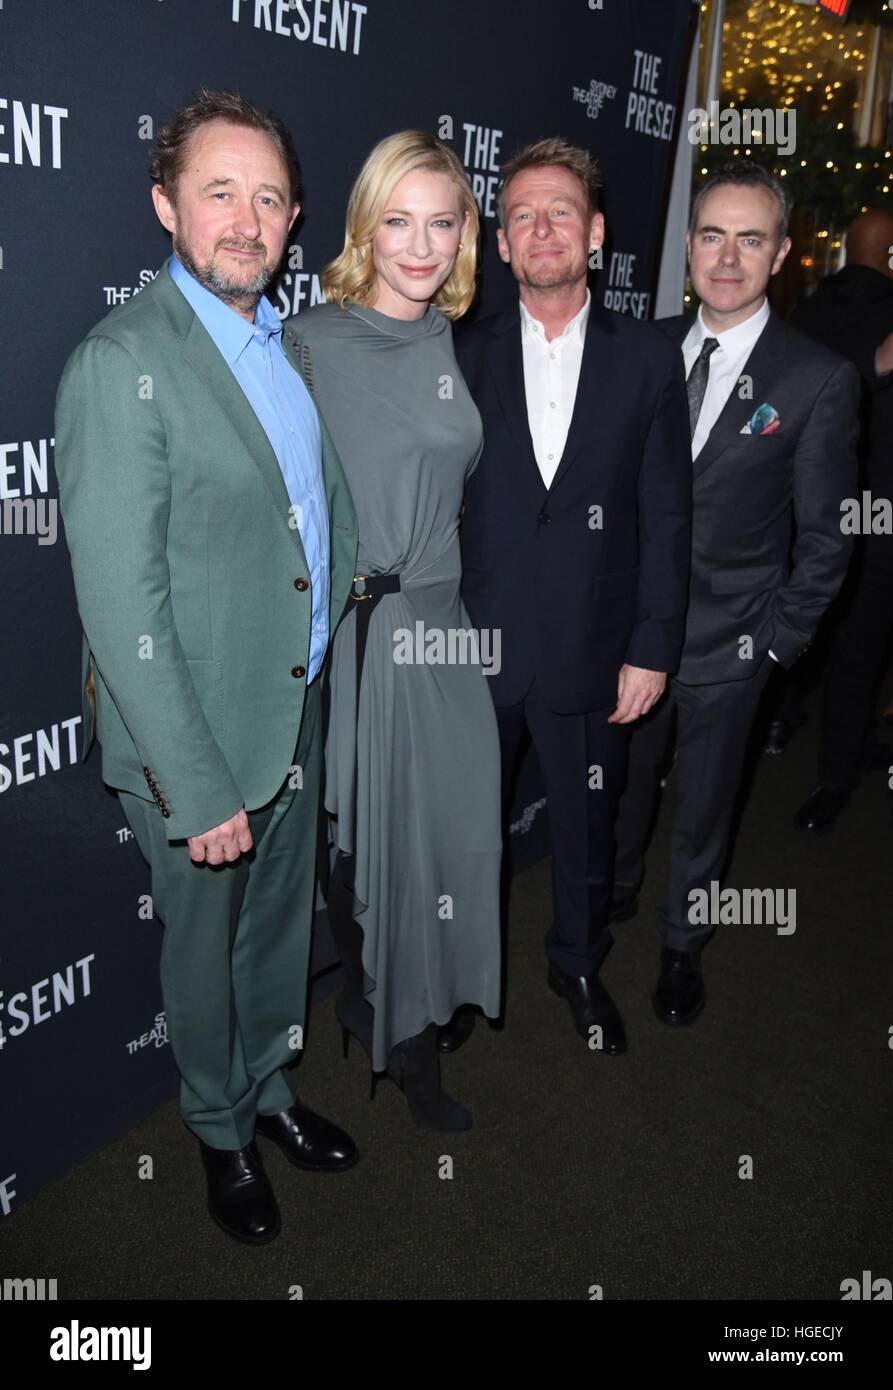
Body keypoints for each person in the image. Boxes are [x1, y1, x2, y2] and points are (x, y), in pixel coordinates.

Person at [54, 89, 359, 1246]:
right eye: (218, 191)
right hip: (195, 739)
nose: (247, 217)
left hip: (288, 709)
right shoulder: (120, 361)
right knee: (205, 951)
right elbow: (120, 598)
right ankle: (217, 1130)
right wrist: (193, 781)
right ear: (163, 205)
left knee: (275, 936)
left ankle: (269, 1090)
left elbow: (302, 524)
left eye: (269, 196)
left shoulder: (280, 343)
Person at [449, 138, 692, 1056]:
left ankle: (577, 962)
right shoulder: (458, 353)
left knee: (587, 825)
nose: (540, 228)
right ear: (500, 244)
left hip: (597, 647)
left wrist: (653, 644)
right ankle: (462, 976)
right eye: (520, 216)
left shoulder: (647, 358)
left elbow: (667, 513)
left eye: (559, 211)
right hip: (474, 646)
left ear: (594, 233)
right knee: (468, 834)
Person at [613, 162, 860, 1026]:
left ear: (781, 253)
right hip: (626, 637)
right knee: (624, 785)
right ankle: (615, 891)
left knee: (705, 810)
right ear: (687, 246)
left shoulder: (816, 378)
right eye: (711, 235)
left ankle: (682, 944)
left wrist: (775, 644)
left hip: (732, 646)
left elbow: (828, 537)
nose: (726, 257)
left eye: (749, 239)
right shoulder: (639, 347)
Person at [288, 132, 501, 1131]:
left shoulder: (449, 336)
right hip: (369, 634)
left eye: (441, 221)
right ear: (363, 227)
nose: (419, 245)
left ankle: (390, 1001)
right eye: (397, 221)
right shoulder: (310, 343)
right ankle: (393, 1031)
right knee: (368, 847)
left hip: (445, 625)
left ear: (463, 234)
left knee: (448, 838)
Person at [783, 209, 893, 833]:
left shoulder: (805, 313)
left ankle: (787, 726)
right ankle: (834, 779)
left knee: (816, 629)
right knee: (858, 650)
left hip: (807, 512)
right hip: (876, 519)